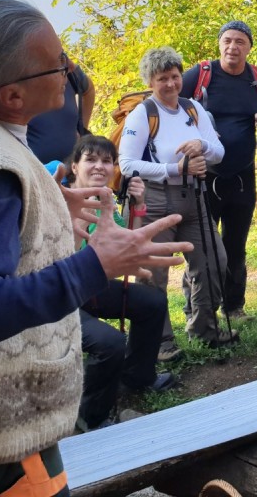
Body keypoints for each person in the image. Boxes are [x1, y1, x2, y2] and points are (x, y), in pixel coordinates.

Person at [0, 0, 187, 497]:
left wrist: (41, 202)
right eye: (58, 63)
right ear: (13, 95)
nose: (70, 72)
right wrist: (95, 265)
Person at [119, 46, 231, 357]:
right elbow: (127, 164)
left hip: (194, 198)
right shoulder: (142, 113)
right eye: (162, 79)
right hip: (153, 200)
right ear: (150, 82)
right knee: (153, 273)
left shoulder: (193, 108)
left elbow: (218, 152)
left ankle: (204, 328)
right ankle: (159, 342)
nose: (170, 84)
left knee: (214, 263)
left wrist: (202, 144)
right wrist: (175, 168)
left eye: (175, 76)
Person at [68, 135, 176, 433]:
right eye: (90, 159)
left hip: (91, 288)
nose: (100, 166)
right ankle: (91, 415)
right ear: (74, 166)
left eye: (106, 161)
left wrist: (138, 205)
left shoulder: (106, 202)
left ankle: (137, 376)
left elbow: (128, 248)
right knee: (109, 342)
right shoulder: (58, 199)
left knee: (153, 302)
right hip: (58, 298)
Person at [180, 20, 257, 321]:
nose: (233, 47)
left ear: (249, 47)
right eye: (228, 40)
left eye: (240, 42)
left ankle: (234, 306)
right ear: (220, 43)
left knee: (236, 244)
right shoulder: (200, 74)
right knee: (202, 245)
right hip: (203, 175)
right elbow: (170, 104)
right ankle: (196, 308)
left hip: (242, 173)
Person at [27, 56, 95, 164]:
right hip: (33, 175)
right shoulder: (19, 74)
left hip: (72, 172)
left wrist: (81, 129)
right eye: (60, 57)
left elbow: (89, 89)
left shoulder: (67, 69)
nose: (71, 66)